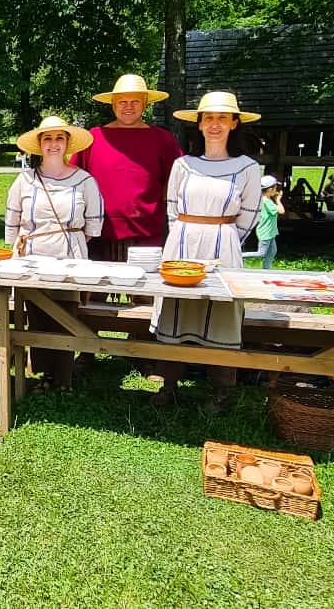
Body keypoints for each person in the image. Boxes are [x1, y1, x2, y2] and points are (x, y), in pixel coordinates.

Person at [150, 91, 263, 412]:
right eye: (209, 118)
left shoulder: (247, 168)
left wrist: (223, 240)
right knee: (176, 310)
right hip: (183, 243)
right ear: (199, 124)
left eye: (222, 118)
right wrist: (186, 236)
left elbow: (249, 216)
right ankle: (168, 385)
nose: (215, 125)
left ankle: (221, 391)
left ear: (234, 123)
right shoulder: (183, 165)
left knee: (222, 316)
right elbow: (172, 209)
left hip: (224, 245)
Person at [6, 116, 104, 392]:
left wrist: (68, 241)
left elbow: (93, 225)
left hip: (69, 253)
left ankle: (64, 375)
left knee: (65, 313)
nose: (53, 144)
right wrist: (16, 255)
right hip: (32, 255)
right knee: (36, 312)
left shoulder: (85, 180)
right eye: (47, 138)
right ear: (39, 144)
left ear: (68, 143)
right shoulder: (25, 180)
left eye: (59, 138)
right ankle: (43, 373)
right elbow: (12, 222)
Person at [72, 74, 182, 263]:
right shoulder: (94, 138)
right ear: (113, 104)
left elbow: (177, 181)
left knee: (145, 290)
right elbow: (73, 179)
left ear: (145, 104)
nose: (128, 107)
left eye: (135, 101)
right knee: (94, 290)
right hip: (97, 232)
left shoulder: (162, 140)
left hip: (148, 233)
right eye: (122, 101)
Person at [256, 175, 285, 269]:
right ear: (269, 189)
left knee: (272, 251)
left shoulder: (266, 199)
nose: (277, 190)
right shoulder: (266, 201)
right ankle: (239, 255)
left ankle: (266, 269)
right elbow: (281, 211)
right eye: (275, 188)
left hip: (270, 232)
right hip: (266, 232)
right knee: (261, 253)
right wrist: (278, 199)